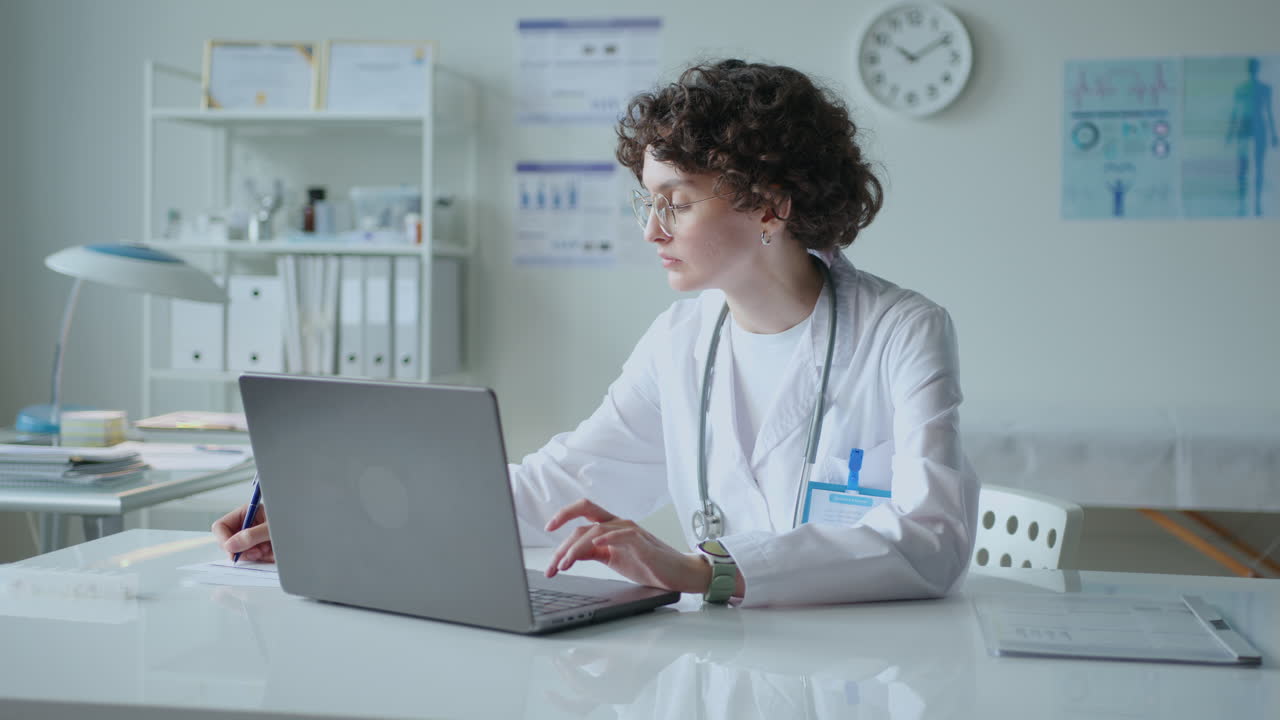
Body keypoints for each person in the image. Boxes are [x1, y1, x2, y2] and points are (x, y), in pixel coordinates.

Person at [214, 59, 979, 608]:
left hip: (869, 670)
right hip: (730, 658)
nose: (651, 230)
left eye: (676, 202)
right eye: (646, 202)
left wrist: (705, 569)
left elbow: (931, 537)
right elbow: (555, 490)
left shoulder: (901, 332)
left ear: (770, 206)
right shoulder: (682, 340)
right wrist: (333, 520)